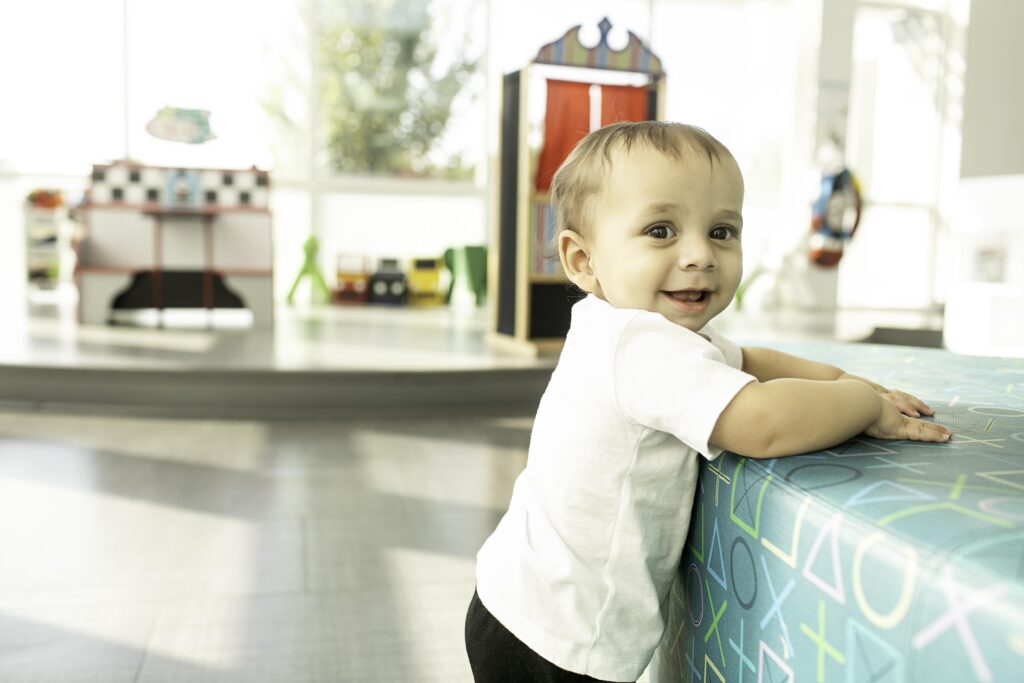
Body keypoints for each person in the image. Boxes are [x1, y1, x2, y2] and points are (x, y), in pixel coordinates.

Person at [465, 121, 952, 683]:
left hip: (520, 601)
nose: (699, 254)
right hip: (558, 639)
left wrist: (843, 376)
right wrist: (859, 404)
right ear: (583, 261)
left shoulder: (640, 331)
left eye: (722, 232)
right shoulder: (638, 347)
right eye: (661, 230)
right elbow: (762, 424)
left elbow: (753, 360)